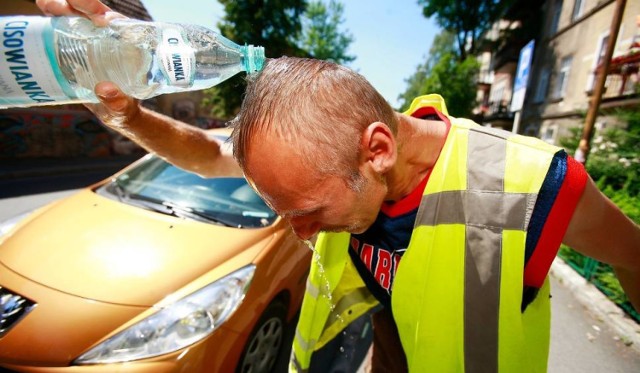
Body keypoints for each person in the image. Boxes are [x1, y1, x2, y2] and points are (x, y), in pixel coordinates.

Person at [34, 2, 640, 372]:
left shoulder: (534, 186)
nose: (296, 234)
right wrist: (124, 112)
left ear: (377, 150)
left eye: (307, 212)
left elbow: (634, 256)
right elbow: (208, 153)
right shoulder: (323, 157)